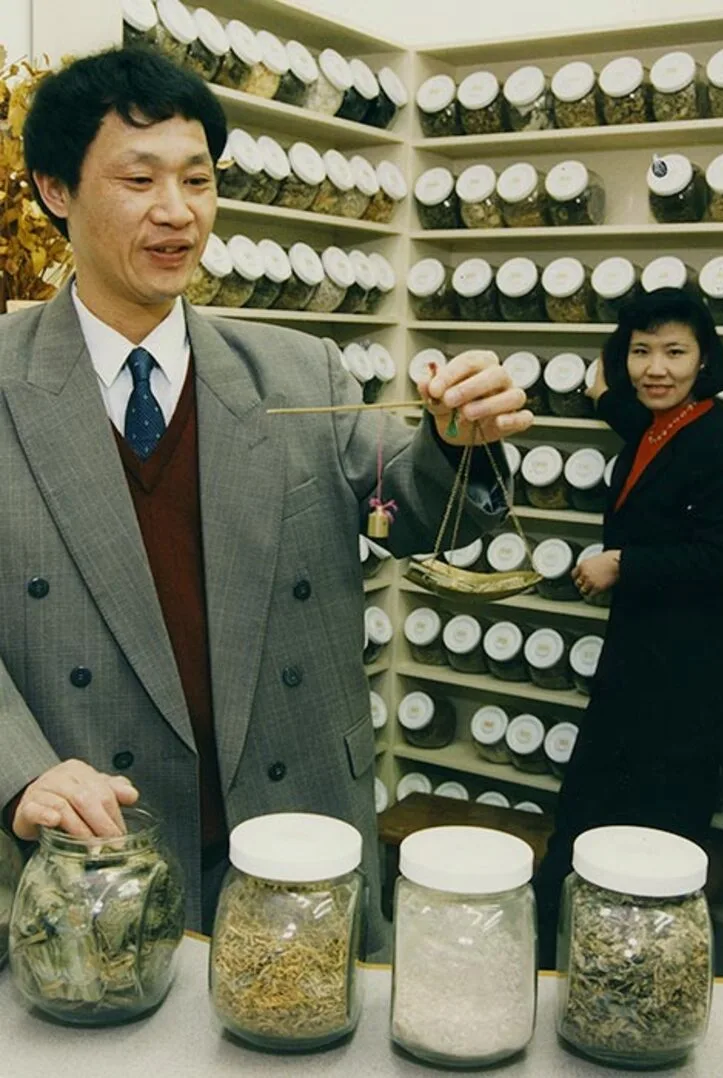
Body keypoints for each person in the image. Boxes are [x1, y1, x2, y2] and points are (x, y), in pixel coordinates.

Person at [0, 48, 532, 945]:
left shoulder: (295, 368)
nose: (178, 212)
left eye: (199, 180)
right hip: (94, 841)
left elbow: (401, 514)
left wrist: (454, 441)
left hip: (294, 826)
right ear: (56, 190)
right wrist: (20, 772)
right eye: (140, 179)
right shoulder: (9, 384)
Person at [534, 287, 723, 966]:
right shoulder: (660, 425)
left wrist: (621, 564)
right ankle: (560, 963)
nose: (654, 367)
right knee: (586, 820)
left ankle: (639, 979)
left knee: (657, 833)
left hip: (688, 678)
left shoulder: (719, 448)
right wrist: (604, 393)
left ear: (705, 360)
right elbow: (633, 416)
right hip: (640, 664)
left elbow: (722, 558)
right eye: (640, 351)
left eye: (674, 351)